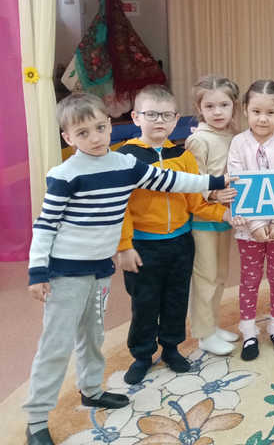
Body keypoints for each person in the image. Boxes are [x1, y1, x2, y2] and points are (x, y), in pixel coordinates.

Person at [24, 93, 231, 445]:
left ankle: (91, 390)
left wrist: (214, 182)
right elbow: (45, 225)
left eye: (100, 128)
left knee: (93, 334)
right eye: (83, 133)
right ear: (68, 138)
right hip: (65, 271)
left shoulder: (124, 164)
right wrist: (37, 271)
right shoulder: (64, 175)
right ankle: (36, 419)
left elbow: (171, 181)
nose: (95, 138)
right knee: (57, 344)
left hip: (100, 269)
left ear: (110, 125)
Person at [115, 85, 239, 385]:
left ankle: (171, 349)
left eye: (167, 115)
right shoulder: (124, 157)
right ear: (136, 117)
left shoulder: (182, 155)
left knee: (176, 299)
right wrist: (124, 246)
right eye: (151, 114)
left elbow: (196, 201)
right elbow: (118, 208)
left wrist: (224, 214)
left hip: (181, 242)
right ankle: (142, 356)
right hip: (143, 245)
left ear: (176, 119)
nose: (159, 121)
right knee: (144, 303)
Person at [227, 80, 274, 360]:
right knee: (250, 279)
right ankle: (249, 332)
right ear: (245, 109)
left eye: (270, 112)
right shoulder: (238, 142)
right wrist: (255, 224)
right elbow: (238, 183)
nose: (262, 118)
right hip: (249, 228)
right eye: (256, 111)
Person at [185, 76, 241, 356]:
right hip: (203, 219)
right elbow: (192, 181)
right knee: (205, 278)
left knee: (219, 275)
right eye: (209, 106)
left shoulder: (236, 136)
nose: (217, 112)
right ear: (200, 108)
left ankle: (212, 325)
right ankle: (204, 334)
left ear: (234, 106)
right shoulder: (198, 140)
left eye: (224, 105)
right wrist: (214, 193)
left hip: (225, 218)